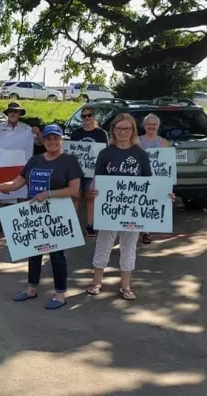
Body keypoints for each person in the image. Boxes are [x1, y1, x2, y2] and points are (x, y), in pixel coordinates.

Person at [0, 124, 83, 309]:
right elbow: (15, 184)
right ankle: (31, 289)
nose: (52, 142)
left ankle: (60, 294)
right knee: (33, 252)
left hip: (57, 214)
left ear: (61, 140)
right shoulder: (35, 160)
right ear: (42, 141)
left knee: (57, 255)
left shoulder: (69, 161)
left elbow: (74, 189)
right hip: (34, 213)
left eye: (55, 138)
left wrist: (49, 194)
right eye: (48, 138)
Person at [86, 113, 175, 300]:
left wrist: (164, 195)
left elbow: (149, 183)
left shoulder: (140, 154)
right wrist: (94, 192)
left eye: (126, 128)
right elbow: (98, 180)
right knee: (104, 244)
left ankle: (125, 285)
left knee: (129, 247)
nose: (122, 132)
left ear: (133, 130)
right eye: (118, 128)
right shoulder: (105, 153)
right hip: (110, 210)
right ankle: (96, 281)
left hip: (133, 211)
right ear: (113, 131)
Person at [0, 102, 41, 233]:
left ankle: (21, 223)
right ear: (7, 113)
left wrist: (39, 133)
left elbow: (40, 143)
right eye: (10, 111)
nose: (13, 113)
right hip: (3, 164)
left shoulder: (26, 129)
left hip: (21, 165)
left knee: (21, 195)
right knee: (2, 194)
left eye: (16, 111)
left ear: (19, 114)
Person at [69, 106, 109, 237]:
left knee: (90, 197)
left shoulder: (101, 134)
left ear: (94, 116)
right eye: (84, 116)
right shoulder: (76, 133)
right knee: (75, 197)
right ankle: (73, 226)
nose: (87, 118)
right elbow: (71, 151)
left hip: (93, 171)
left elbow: (105, 153)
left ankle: (90, 225)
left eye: (89, 115)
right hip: (77, 171)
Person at [138, 113, 168, 244]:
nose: (151, 126)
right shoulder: (137, 140)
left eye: (154, 124)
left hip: (156, 179)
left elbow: (166, 163)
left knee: (149, 205)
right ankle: (133, 230)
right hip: (139, 178)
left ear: (158, 126)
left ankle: (146, 232)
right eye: (149, 124)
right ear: (144, 126)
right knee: (138, 203)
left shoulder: (163, 142)